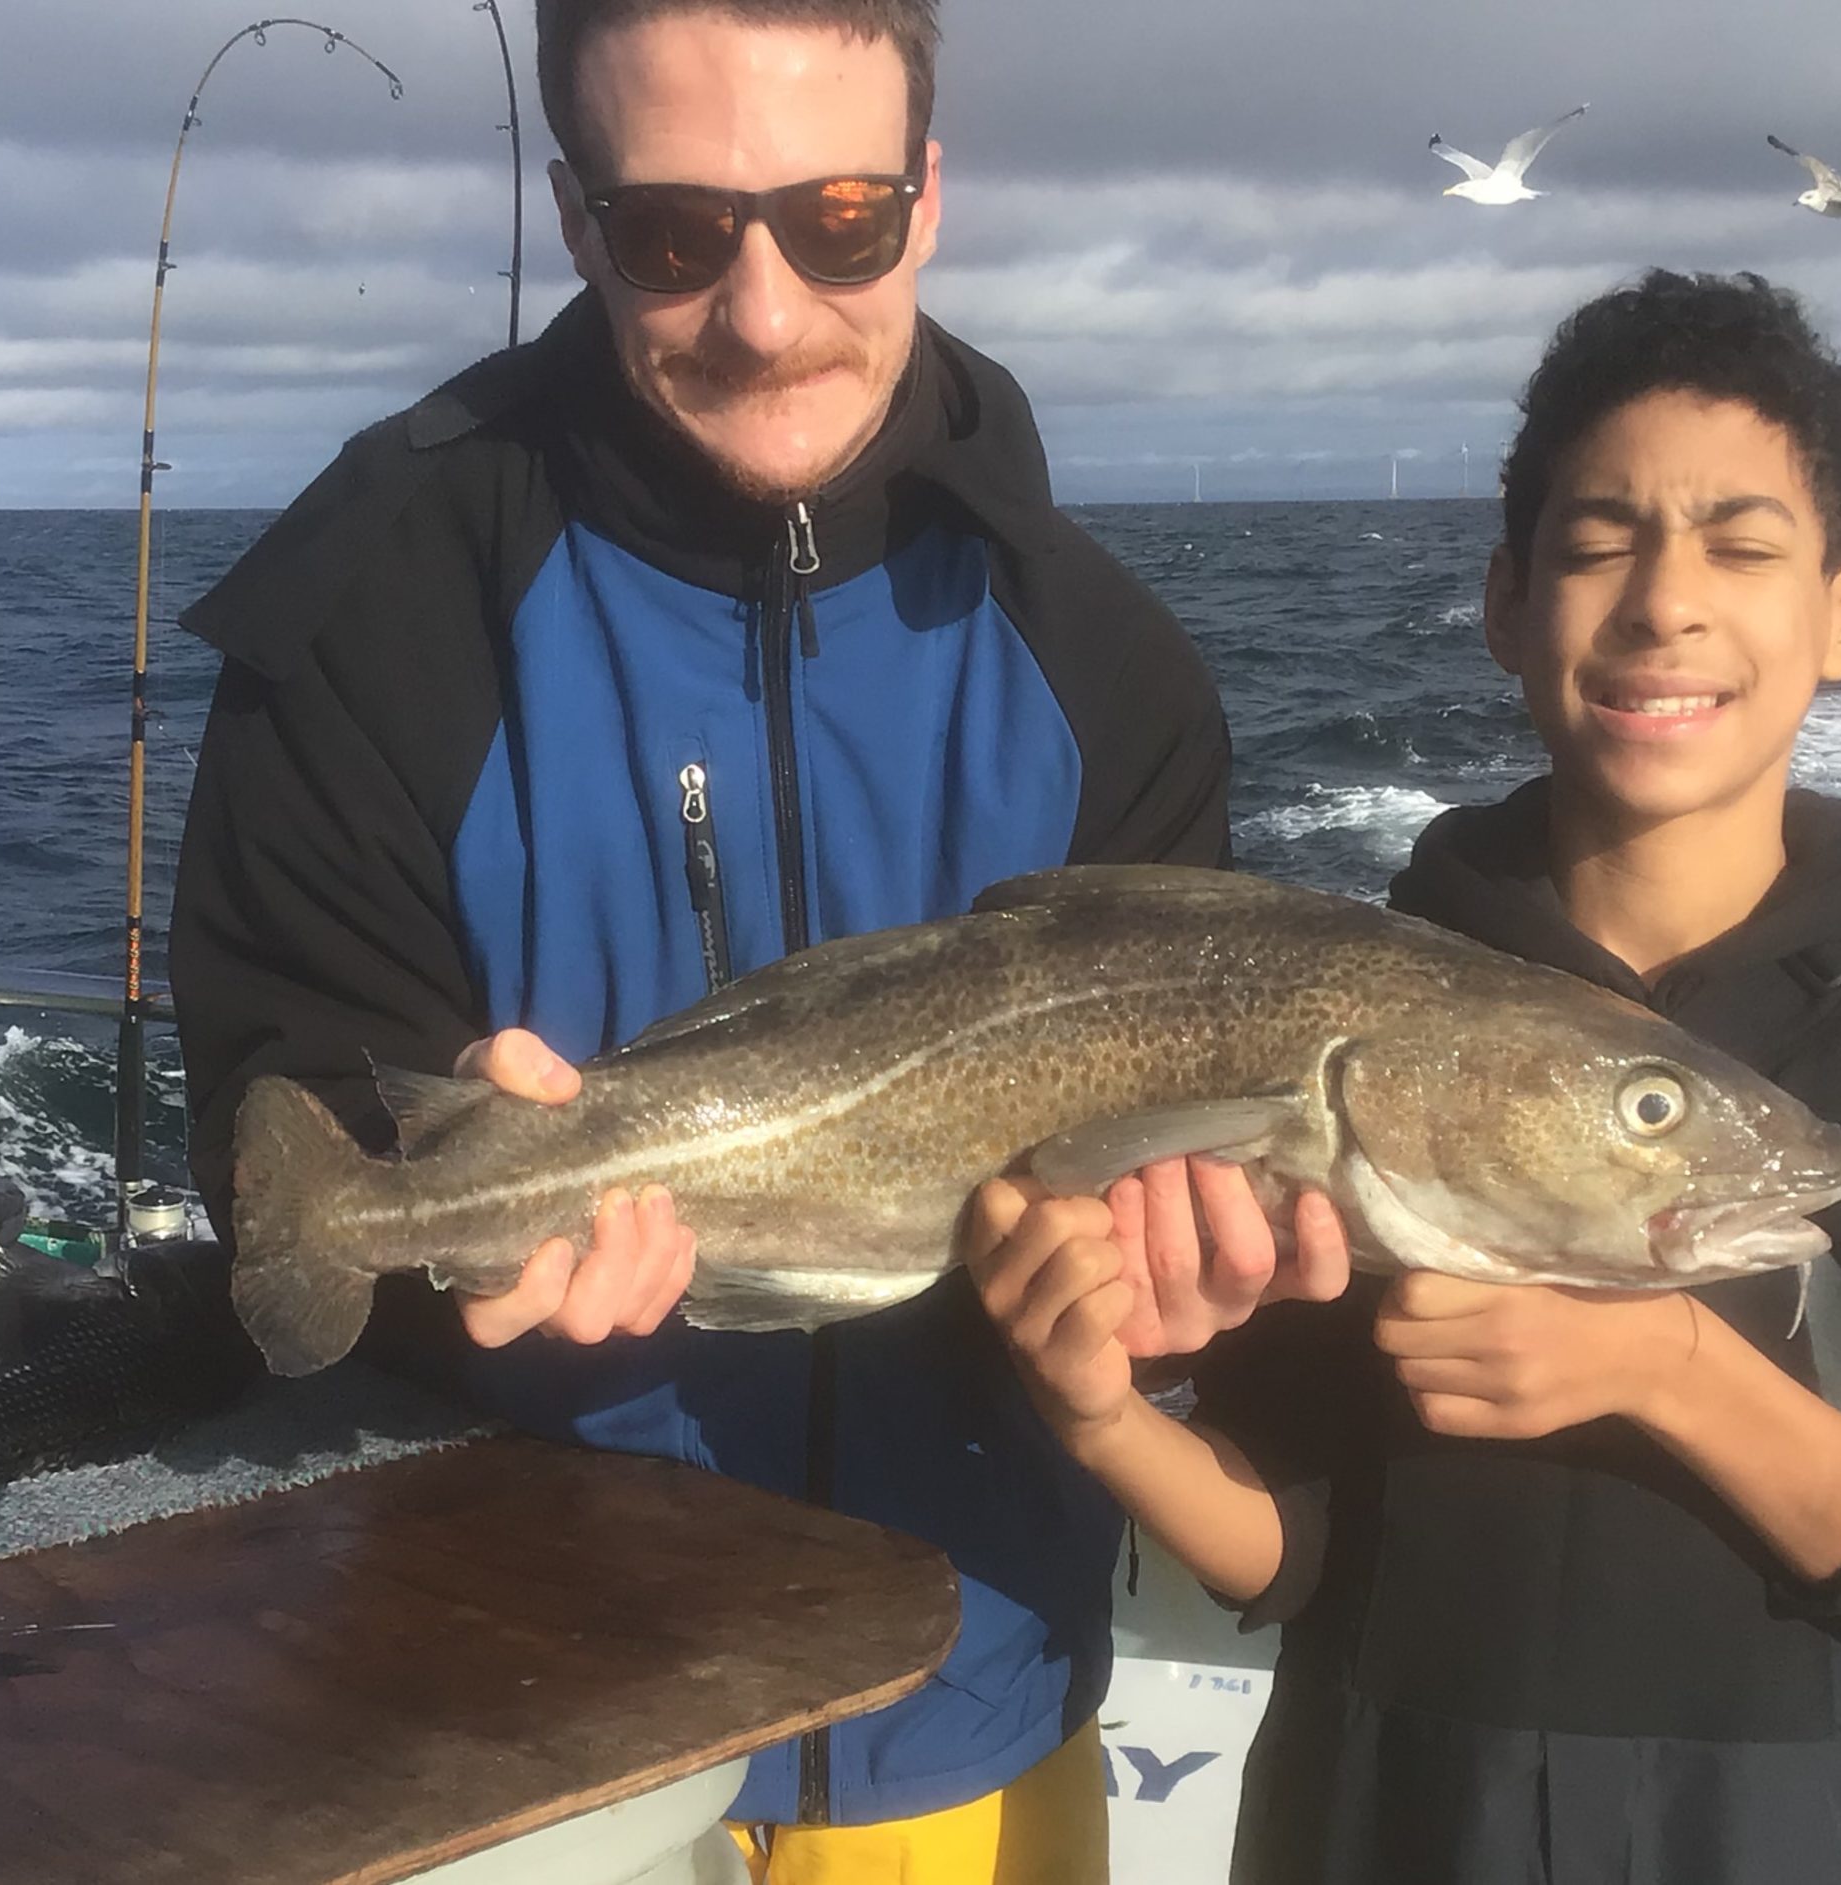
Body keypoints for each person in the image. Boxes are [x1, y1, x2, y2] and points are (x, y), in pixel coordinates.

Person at [168, 1, 1344, 1876]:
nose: (770, 309)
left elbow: (1173, 1209)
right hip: (510, 1733)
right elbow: (276, 1115)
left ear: (931, 200)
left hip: (964, 1703)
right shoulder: (369, 617)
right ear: (576, 217)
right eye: (676, 235)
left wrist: (1169, 1296)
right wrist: (424, 1210)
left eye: (843, 218)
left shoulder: (1108, 662)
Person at [969, 269, 1841, 1883]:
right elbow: (1287, 1539)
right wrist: (1093, 1410)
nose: (1663, 602)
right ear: (1507, 603)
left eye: (1741, 541)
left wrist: (1667, 1368)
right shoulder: (1349, 1027)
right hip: (1382, 1826)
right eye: (1597, 543)